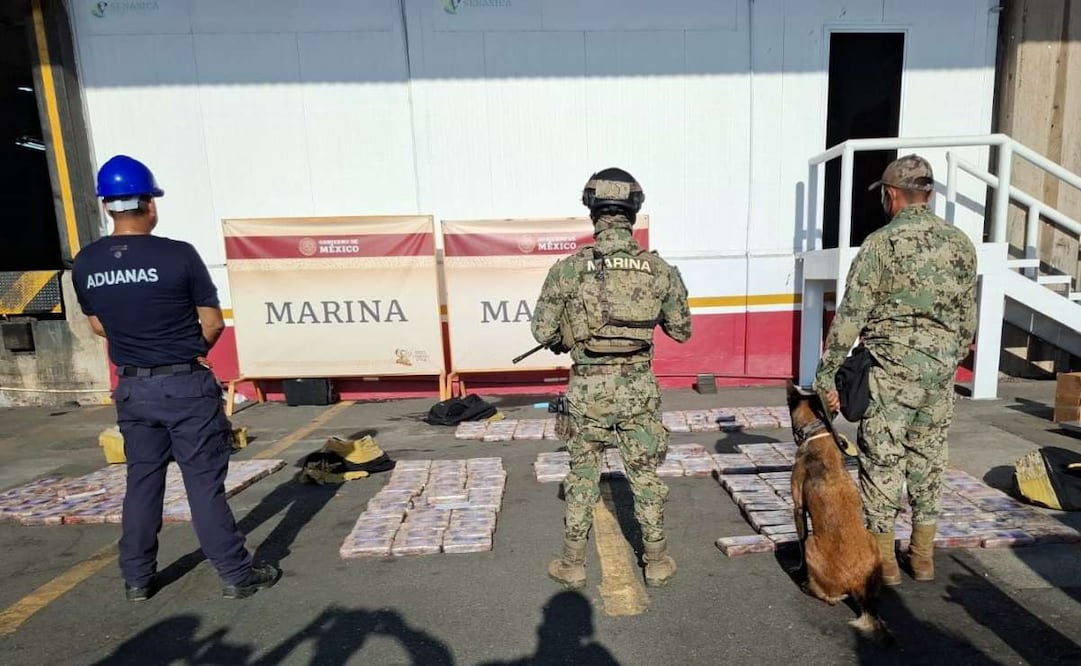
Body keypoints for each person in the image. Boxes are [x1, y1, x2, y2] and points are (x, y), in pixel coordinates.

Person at [72, 155, 280, 600]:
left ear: (108, 205)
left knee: (142, 482)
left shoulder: (86, 263)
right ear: (149, 203)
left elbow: (97, 326)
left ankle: (137, 579)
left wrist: (137, 340)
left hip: (133, 388)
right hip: (185, 385)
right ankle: (235, 574)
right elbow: (212, 322)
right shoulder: (178, 255)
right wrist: (189, 352)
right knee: (203, 485)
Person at [813, 154, 977, 585]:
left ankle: (885, 564)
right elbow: (967, 319)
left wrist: (827, 373)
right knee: (928, 459)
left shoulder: (881, 245)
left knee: (883, 462)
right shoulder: (960, 243)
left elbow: (851, 313)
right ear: (928, 194)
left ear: (891, 195)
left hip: (891, 370)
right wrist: (946, 360)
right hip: (939, 376)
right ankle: (922, 556)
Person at [532, 168, 692, 588]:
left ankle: (572, 562)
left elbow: (542, 331)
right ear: (633, 212)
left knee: (582, 475)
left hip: (587, 391)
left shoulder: (569, 270)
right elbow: (681, 330)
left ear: (593, 212)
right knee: (645, 475)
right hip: (639, 390)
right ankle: (656, 561)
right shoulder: (659, 270)